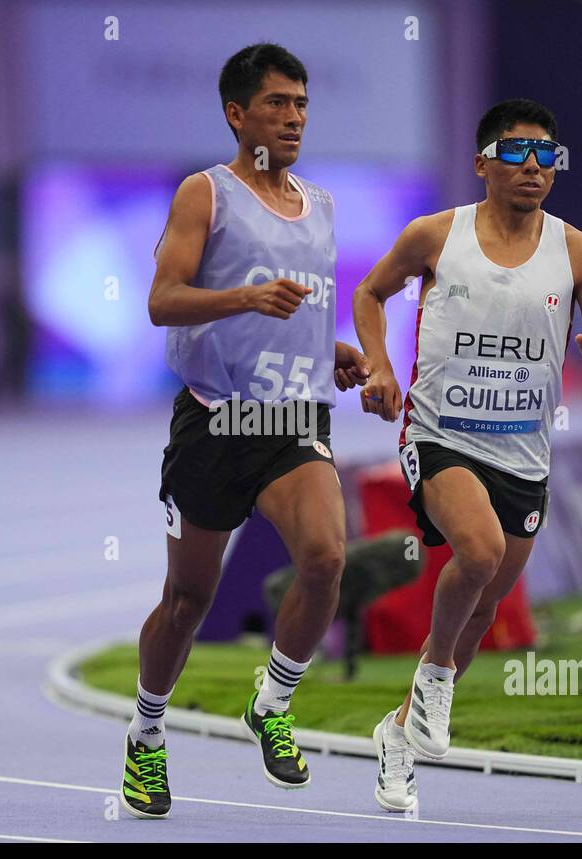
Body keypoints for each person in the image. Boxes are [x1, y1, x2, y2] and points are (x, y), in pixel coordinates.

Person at [350, 99, 582, 812]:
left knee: (485, 606)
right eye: (516, 152)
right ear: (482, 163)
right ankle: (437, 676)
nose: (534, 166)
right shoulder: (435, 235)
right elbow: (369, 293)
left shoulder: (580, 253)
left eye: (547, 155)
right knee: (473, 555)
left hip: (524, 456)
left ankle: (399, 735)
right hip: (440, 434)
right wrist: (381, 368)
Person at [122, 43, 369, 819]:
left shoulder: (321, 205)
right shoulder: (207, 194)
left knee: (327, 559)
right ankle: (146, 735)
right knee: (188, 599)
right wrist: (244, 299)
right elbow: (163, 301)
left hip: (293, 420)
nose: (293, 118)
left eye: (300, 104)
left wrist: (332, 351)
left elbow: (297, 308)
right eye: (276, 104)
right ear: (238, 114)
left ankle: (273, 701)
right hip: (214, 420)